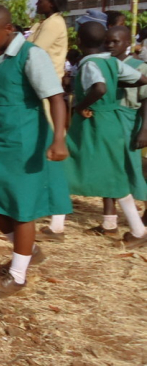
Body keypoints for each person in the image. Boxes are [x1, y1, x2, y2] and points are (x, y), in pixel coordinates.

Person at [0, 5, 71, 297]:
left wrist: (59, 139)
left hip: (27, 140)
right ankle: (29, 249)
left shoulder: (31, 55)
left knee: (22, 208)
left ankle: (17, 276)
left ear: (9, 29)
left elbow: (55, 98)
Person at [41, 22, 147, 247]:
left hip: (93, 121)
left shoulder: (89, 63)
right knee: (111, 174)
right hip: (112, 121)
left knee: (67, 167)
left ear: (78, 42)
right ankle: (58, 225)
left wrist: (81, 106)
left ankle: (138, 230)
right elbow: (140, 80)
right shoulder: (112, 62)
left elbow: (99, 88)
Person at [87, 26, 147, 237]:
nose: (110, 45)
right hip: (108, 120)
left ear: (127, 43)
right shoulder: (105, 64)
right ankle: (109, 221)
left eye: (116, 42)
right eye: (107, 41)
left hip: (129, 120)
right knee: (109, 169)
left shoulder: (139, 66)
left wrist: (144, 130)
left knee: (133, 170)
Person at [27, 0, 69, 81]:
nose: (36, 4)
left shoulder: (54, 23)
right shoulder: (43, 23)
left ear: (52, 4)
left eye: (40, 1)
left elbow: (34, 52)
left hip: (47, 81)